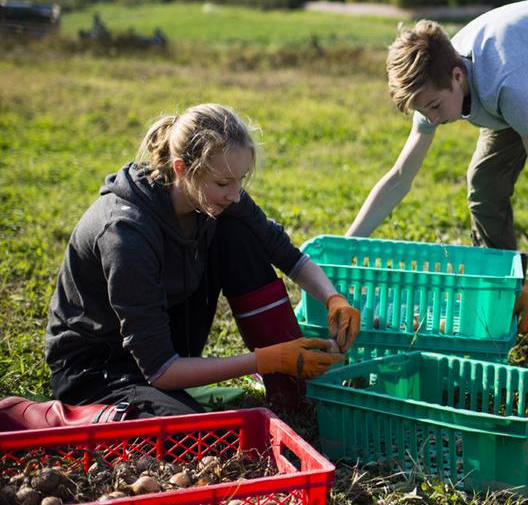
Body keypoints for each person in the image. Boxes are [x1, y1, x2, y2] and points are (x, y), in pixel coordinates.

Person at [43, 103, 361, 419]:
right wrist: (267, 360)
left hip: (165, 348)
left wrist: (333, 298)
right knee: (197, 433)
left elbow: (285, 253)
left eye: (242, 180)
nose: (235, 194)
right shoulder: (126, 234)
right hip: (102, 369)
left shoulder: (214, 197)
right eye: (223, 183)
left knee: (238, 230)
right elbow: (160, 370)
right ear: (181, 169)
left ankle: (291, 391)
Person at [346, 0, 528, 353]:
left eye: (432, 107)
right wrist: (349, 244)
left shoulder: (508, 88)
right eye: (421, 110)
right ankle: (506, 303)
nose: (428, 118)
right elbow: (400, 176)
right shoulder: (432, 87)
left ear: (457, 76)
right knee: (484, 184)